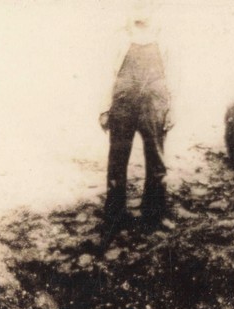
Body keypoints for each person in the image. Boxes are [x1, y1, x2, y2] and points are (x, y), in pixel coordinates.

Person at [99, 9, 175, 236]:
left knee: (156, 158)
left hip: (154, 100)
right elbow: (108, 75)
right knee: (117, 158)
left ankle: (154, 215)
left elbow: (174, 75)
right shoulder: (120, 36)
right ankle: (114, 216)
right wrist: (104, 108)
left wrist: (171, 109)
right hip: (123, 102)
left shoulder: (164, 36)